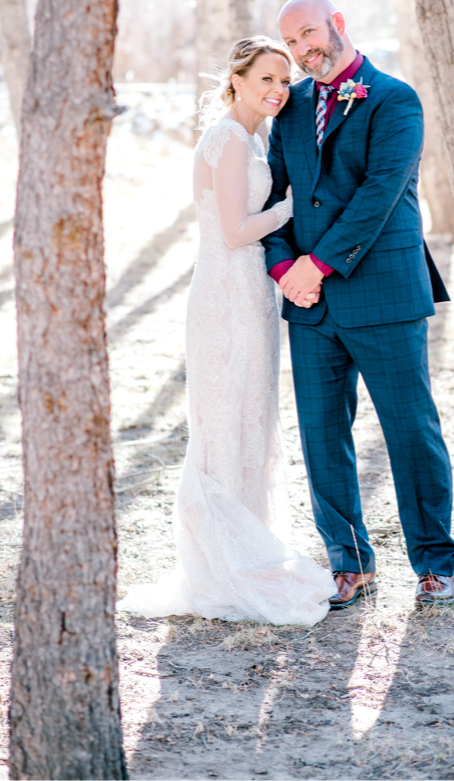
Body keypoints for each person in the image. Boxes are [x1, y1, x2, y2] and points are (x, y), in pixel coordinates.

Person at [119, 37, 335, 626]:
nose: (276, 90)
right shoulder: (228, 139)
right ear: (236, 79)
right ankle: (218, 567)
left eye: (284, 81)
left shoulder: (252, 137)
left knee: (248, 417)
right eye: (265, 78)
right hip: (225, 292)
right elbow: (237, 230)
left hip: (249, 293)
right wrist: (295, 205)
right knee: (222, 424)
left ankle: (247, 548)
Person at [263, 0, 454, 608]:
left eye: (309, 34)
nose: (302, 50)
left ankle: (433, 561)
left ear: (338, 25)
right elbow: (274, 196)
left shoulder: (395, 99)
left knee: (410, 431)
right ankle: (348, 561)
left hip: (384, 295)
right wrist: (282, 270)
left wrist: (316, 265)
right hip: (308, 303)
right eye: (291, 42)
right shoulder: (289, 109)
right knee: (323, 435)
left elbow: (380, 195)